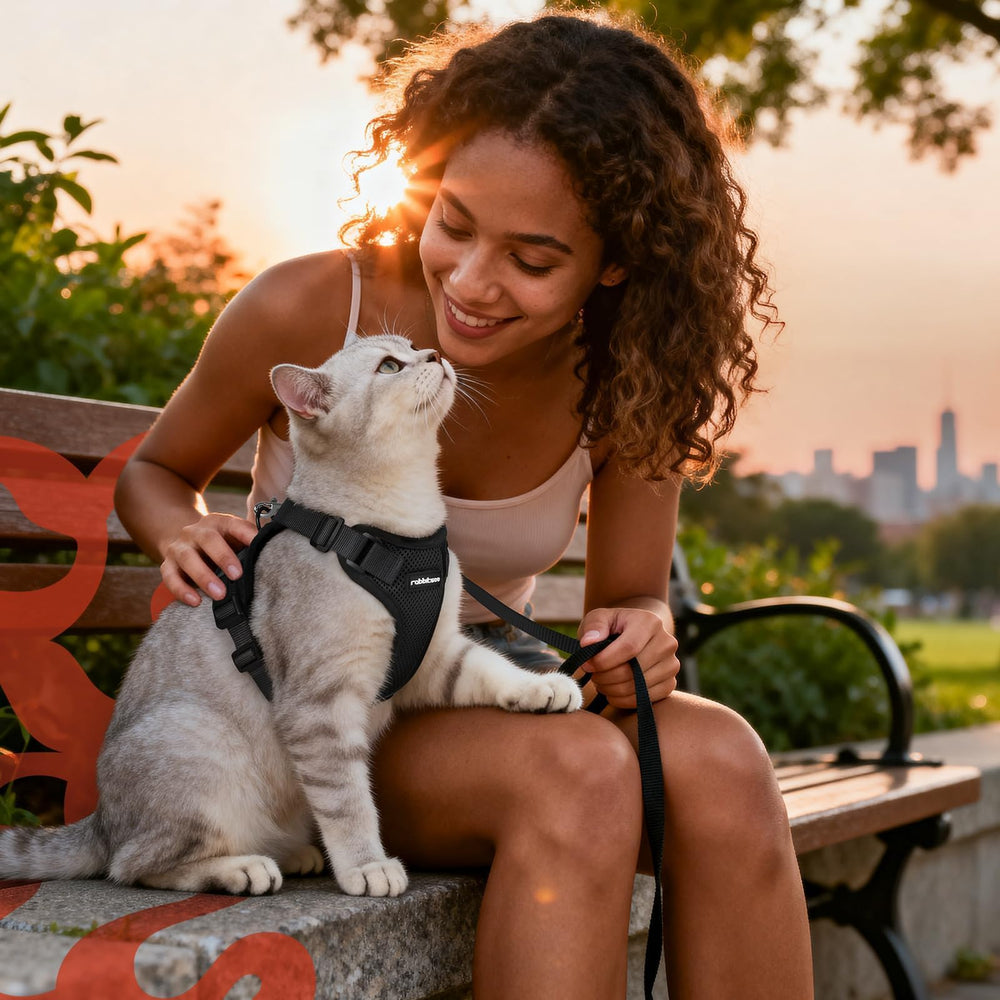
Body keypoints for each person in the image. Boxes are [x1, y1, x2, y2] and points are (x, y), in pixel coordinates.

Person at [115, 10, 814, 999]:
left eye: (531, 260)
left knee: (725, 762)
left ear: (616, 261)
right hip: (297, 721)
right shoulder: (313, 308)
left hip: (472, 690)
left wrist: (642, 631)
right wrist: (181, 527)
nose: (473, 286)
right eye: (454, 224)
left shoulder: (631, 375)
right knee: (576, 770)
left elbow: (631, 597)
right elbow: (155, 472)